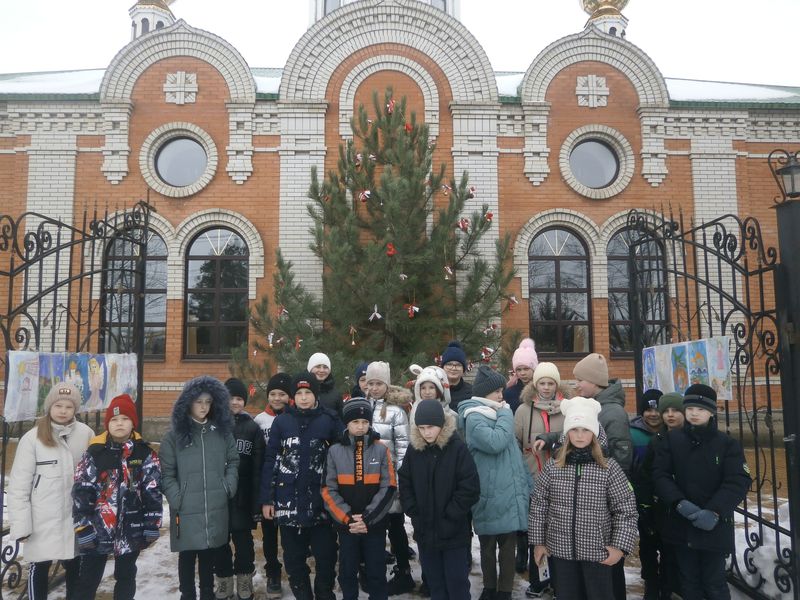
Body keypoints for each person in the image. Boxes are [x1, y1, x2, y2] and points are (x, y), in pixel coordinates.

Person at [529, 397, 638, 600]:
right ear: (566, 433)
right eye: (574, 429)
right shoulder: (554, 467)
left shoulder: (608, 468)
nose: (579, 436)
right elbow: (539, 505)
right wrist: (538, 542)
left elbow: (626, 510)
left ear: (594, 433)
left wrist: (619, 547)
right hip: (560, 551)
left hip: (598, 552)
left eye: (585, 430)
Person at [653, 384, 751, 600]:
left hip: (713, 527)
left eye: (700, 409)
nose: (694, 413)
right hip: (681, 524)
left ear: (712, 411)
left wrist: (715, 511)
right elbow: (660, 475)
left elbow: (738, 480)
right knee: (689, 581)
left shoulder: (727, 445)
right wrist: (679, 503)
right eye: (690, 408)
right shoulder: (672, 440)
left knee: (714, 582)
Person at [260, 372, 342, 600]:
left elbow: (344, 452)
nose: (304, 398)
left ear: (315, 394)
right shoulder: (283, 421)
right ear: (293, 396)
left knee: (326, 557)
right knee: (294, 560)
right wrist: (267, 498)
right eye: (299, 393)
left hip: (321, 504)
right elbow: (271, 460)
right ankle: (302, 593)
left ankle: (324, 593)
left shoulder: (329, 419)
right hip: (288, 503)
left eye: (308, 393)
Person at [72, 394, 162, 600]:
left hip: (132, 530)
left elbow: (153, 491)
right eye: (114, 420)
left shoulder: (145, 454)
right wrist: (82, 526)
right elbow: (81, 492)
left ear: (133, 423)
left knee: (126, 577)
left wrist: (152, 523)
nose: (119, 424)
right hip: (98, 529)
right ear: (107, 424)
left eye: (124, 419)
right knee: (87, 580)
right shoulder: (94, 453)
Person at [8, 383, 94, 599]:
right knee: (39, 567)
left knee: (76, 566)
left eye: (69, 406)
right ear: (50, 407)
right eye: (58, 405)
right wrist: (22, 526)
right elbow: (19, 485)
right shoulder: (32, 438)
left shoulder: (86, 434)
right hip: (42, 519)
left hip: (75, 518)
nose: (63, 411)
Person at [160, 376, 240, 600]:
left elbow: (233, 461)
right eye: (198, 402)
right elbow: (167, 472)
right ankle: (187, 595)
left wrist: (228, 486)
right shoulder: (174, 436)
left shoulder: (221, 432)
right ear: (188, 402)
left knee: (208, 555)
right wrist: (177, 497)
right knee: (187, 556)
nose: (204, 407)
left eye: (208, 402)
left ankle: (207, 593)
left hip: (215, 504)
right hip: (186, 507)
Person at [457, 365, 532, 600]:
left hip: (508, 493)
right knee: (488, 548)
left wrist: (525, 484)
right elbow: (495, 442)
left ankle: (505, 590)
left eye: (501, 390)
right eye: (496, 391)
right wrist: (505, 414)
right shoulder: (475, 416)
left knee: (508, 549)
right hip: (487, 494)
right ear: (483, 393)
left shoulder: (498, 412)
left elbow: (513, 455)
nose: (501, 396)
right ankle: (490, 587)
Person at [399, 400, 480, 600]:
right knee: (435, 584)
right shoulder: (414, 450)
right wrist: (414, 512)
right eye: (422, 428)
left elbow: (470, 488)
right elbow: (405, 482)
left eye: (431, 427)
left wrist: (451, 515)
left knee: (457, 584)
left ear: (442, 425)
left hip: (453, 533)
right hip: (426, 532)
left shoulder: (457, 449)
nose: (427, 433)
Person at [322, 398, 397, 600]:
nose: (361, 426)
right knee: (347, 571)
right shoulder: (335, 451)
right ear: (347, 423)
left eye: (365, 422)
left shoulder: (381, 449)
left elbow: (389, 487)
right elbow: (328, 490)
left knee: (376, 570)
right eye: (355, 422)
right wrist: (348, 518)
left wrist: (367, 518)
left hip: (374, 523)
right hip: (347, 525)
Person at [573, 352, 633, 599]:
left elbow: (621, 459)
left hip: (604, 498)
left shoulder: (612, 413)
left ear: (595, 381)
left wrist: (601, 486)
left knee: (609, 562)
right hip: (594, 495)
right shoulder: (595, 407)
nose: (576, 385)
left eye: (580, 380)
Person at [514, 362, 566, 598]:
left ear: (557, 384)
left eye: (550, 383)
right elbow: (516, 443)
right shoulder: (524, 410)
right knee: (537, 531)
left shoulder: (567, 408)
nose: (546, 388)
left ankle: (560, 579)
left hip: (561, 479)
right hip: (533, 477)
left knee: (559, 531)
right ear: (535, 385)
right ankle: (538, 580)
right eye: (542, 383)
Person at [364, 361, 415, 595]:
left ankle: (403, 570)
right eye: (370, 383)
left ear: (386, 385)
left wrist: (400, 478)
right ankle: (370, 570)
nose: (374, 388)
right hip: (367, 480)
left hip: (390, 479)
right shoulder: (361, 407)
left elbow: (403, 447)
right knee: (373, 526)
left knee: (395, 526)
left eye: (378, 383)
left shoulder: (396, 411)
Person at [213, 378, 265, 600]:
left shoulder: (252, 428)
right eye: (230, 398)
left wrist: (256, 501)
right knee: (219, 540)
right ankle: (223, 580)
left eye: (239, 398)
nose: (234, 402)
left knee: (243, 540)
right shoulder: (213, 426)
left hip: (243, 494)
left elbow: (257, 467)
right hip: (217, 494)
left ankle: (244, 579)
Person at [638, 392, 685, 600]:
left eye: (674, 410)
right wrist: (645, 504)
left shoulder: (691, 440)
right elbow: (644, 475)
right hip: (656, 505)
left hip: (678, 507)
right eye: (666, 411)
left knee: (670, 552)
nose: (668, 415)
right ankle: (651, 584)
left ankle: (668, 588)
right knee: (648, 546)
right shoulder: (657, 441)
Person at [253, 372, 292, 599]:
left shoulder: (293, 418)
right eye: (273, 394)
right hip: (268, 483)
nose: (277, 398)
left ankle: (294, 570)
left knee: (288, 533)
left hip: (288, 485)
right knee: (269, 533)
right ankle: (273, 572)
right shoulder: (259, 420)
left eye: (282, 394)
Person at [629, 388, 664, 600]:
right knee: (648, 543)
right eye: (648, 409)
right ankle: (650, 582)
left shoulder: (671, 432)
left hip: (668, 498)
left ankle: (667, 582)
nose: (653, 414)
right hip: (643, 497)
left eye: (657, 409)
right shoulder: (632, 433)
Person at [503, 338, 538, 413]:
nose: (522, 373)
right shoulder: (508, 393)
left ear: (534, 369)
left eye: (526, 369)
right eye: (519, 370)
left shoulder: (542, 390)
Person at [307, 352, 344, 416]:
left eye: (325, 367)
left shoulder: (335, 394)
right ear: (310, 368)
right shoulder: (301, 389)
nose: (321, 370)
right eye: (318, 367)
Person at [441, 340, 473, 411]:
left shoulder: (472, 392)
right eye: (449, 364)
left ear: (463, 369)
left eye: (458, 365)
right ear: (443, 367)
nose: (453, 368)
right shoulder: (435, 389)